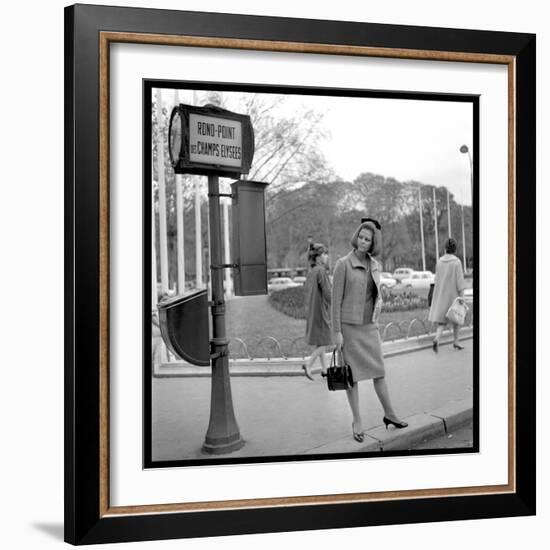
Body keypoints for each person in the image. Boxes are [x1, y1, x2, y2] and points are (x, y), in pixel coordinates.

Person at [332, 220, 408, 442]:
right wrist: (336, 333)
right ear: (356, 237)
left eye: (368, 239)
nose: (363, 242)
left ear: (373, 243)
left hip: (369, 326)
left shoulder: (375, 264)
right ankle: (357, 421)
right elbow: (335, 302)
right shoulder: (342, 264)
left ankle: (390, 414)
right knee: (351, 377)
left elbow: (374, 293)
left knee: (379, 372)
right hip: (349, 328)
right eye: (361, 238)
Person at [428, 238, 466, 353]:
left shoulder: (439, 262)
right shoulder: (457, 262)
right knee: (456, 319)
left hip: (441, 295)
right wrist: (462, 297)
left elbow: (437, 279)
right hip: (453, 296)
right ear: (455, 250)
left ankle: (436, 339)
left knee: (442, 322)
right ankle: (456, 342)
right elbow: (460, 282)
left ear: (445, 249)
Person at [302, 243, 332, 380]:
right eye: (324, 254)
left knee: (321, 341)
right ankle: (308, 364)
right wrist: (337, 304)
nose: (326, 256)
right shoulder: (321, 271)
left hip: (313, 310)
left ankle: (325, 370)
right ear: (318, 257)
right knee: (325, 341)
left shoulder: (312, 271)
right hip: (320, 311)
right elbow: (327, 293)